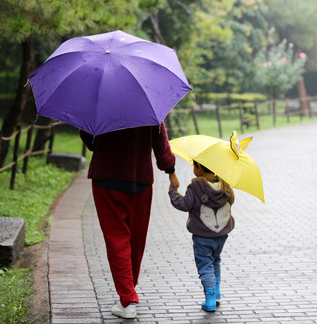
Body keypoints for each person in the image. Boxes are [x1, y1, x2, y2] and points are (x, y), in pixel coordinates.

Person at [80, 122, 179, 319]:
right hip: (139, 178)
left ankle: (127, 299)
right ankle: (128, 293)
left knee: (116, 240)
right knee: (136, 239)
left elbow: (90, 140)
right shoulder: (148, 100)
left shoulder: (98, 102)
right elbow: (160, 140)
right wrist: (171, 171)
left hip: (106, 178)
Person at [168, 160, 235, 312]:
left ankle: (210, 300)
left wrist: (173, 192)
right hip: (221, 235)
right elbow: (231, 201)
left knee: (205, 265)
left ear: (199, 168)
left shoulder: (196, 186)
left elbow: (184, 204)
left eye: (194, 165)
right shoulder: (225, 184)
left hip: (203, 236)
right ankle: (216, 292)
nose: (193, 168)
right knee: (215, 260)